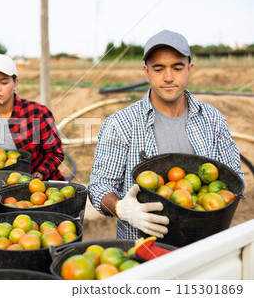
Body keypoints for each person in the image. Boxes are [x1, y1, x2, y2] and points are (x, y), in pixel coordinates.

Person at [87, 30, 244, 240]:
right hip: (145, 251)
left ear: (190, 69)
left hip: (204, 245)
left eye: (177, 68)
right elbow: (99, 186)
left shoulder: (212, 119)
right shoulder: (121, 124)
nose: (168, 77)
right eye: (158, 69)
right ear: (146, 71)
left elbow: (234, 178)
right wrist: (121, 208)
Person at [0, 54, 66, 181]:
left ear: (15, 83)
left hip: (39, 187)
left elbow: (55, 154)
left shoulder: (37, 113)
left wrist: (37, 177)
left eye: (4, 82)